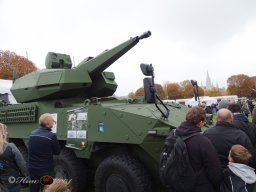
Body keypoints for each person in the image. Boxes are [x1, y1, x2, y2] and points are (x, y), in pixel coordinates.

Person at [174, 106, 222, 192]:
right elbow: (214, 170)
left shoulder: (173, 136)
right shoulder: (203, 142)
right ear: (200, 122)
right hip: (198, 185)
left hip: (179, 183)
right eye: (204, 121)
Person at [28, 113, 61, 192]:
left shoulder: (32, 134)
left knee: (33, 190)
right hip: (46, 170)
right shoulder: (51, 136)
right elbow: (57, 152)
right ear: (47, 123)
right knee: (48, 189)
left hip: (32, 169)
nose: (54, 122)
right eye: (52, 120)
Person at [0, 123, 27, 192]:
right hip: (12, 182)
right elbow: (22, 166)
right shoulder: (11, 146)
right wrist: (27, 177)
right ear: (4, 133)